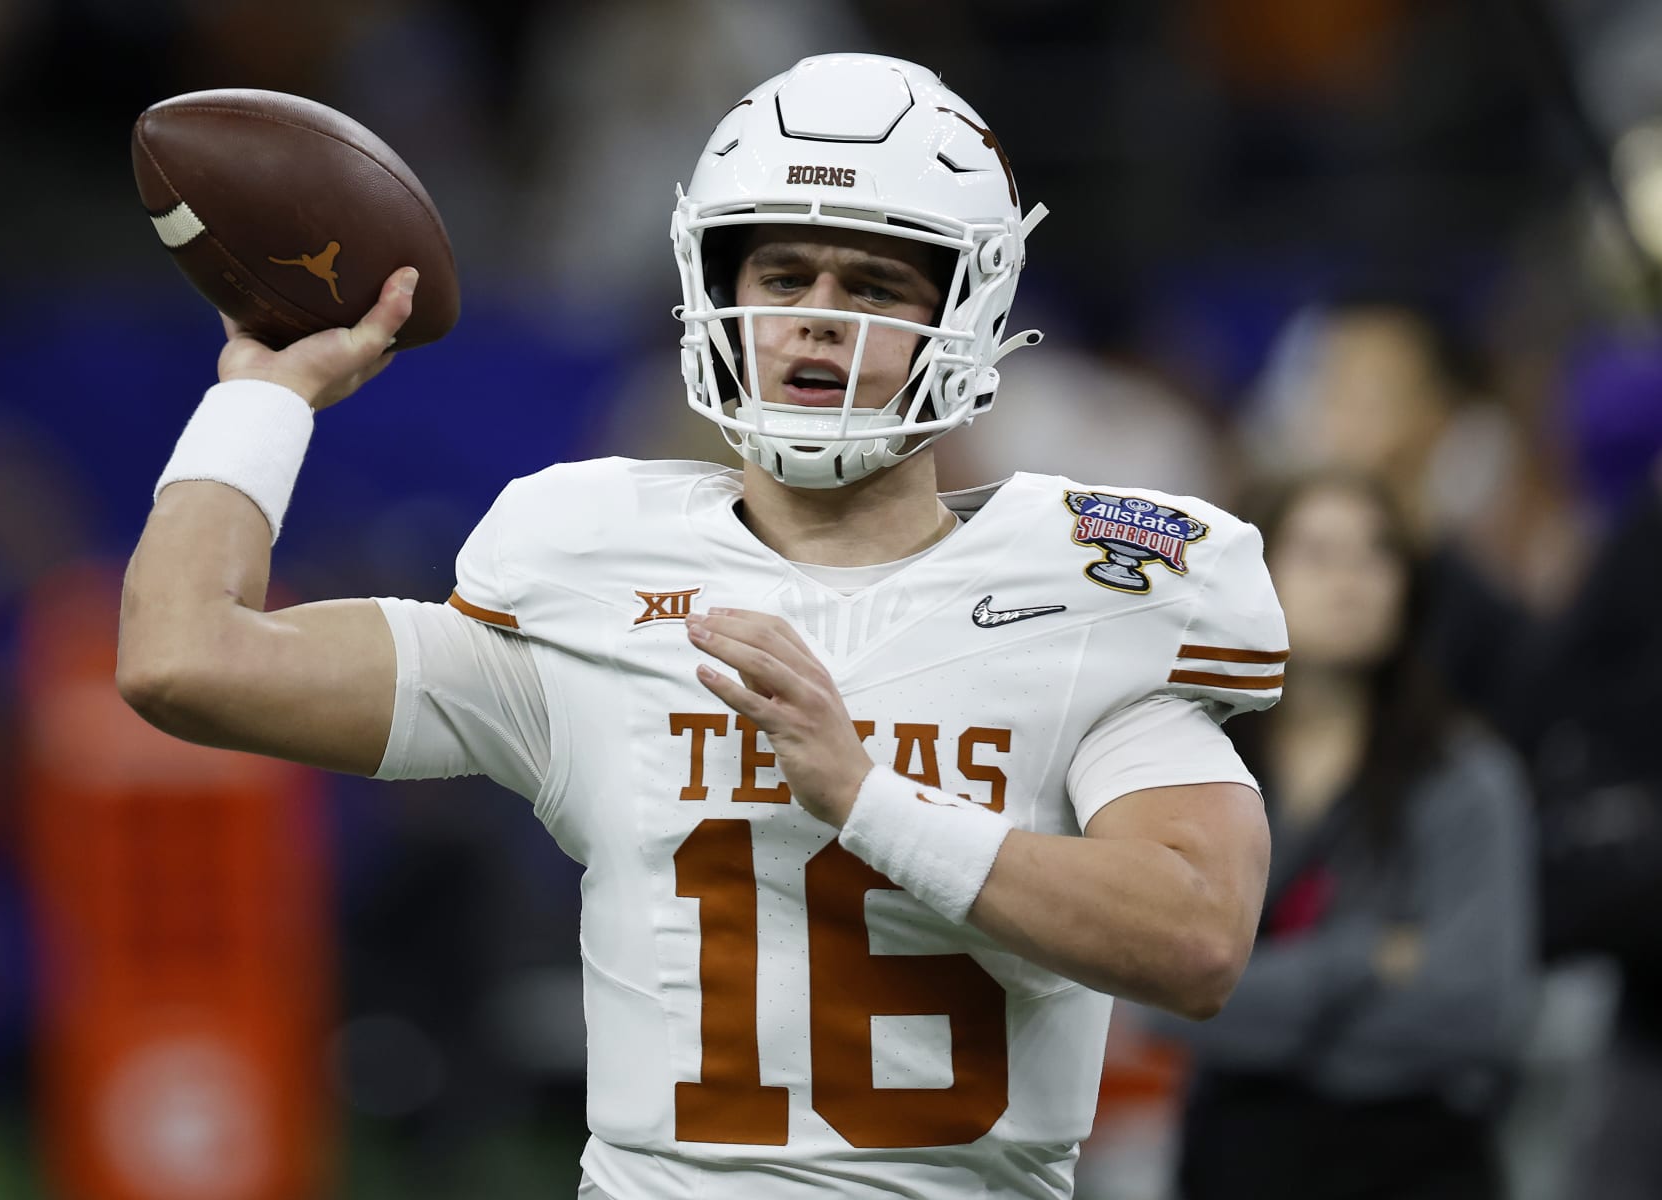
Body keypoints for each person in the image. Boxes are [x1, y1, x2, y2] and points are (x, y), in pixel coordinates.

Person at [117, 54, 1284, 1199]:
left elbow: (1194, 943)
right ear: (717, 293)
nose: (817, 322)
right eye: (782, 278)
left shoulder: (1090, 586)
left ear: (968, 309)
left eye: (872, 288)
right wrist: (261, 397)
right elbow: (184, 657)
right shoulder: (592, 566)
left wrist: (867, 800)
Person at [1156, 471, 1537, 1200]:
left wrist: (1251, 1009)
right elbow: (1157, 997)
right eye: (1319, 554)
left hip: (1417, 1162)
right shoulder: (1191, 762)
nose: (1352, 581)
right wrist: (1363, 960)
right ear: (1254, 580)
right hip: (1234, 1157)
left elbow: (1476, 1008)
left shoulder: (1466, 777)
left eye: (1377, 555)